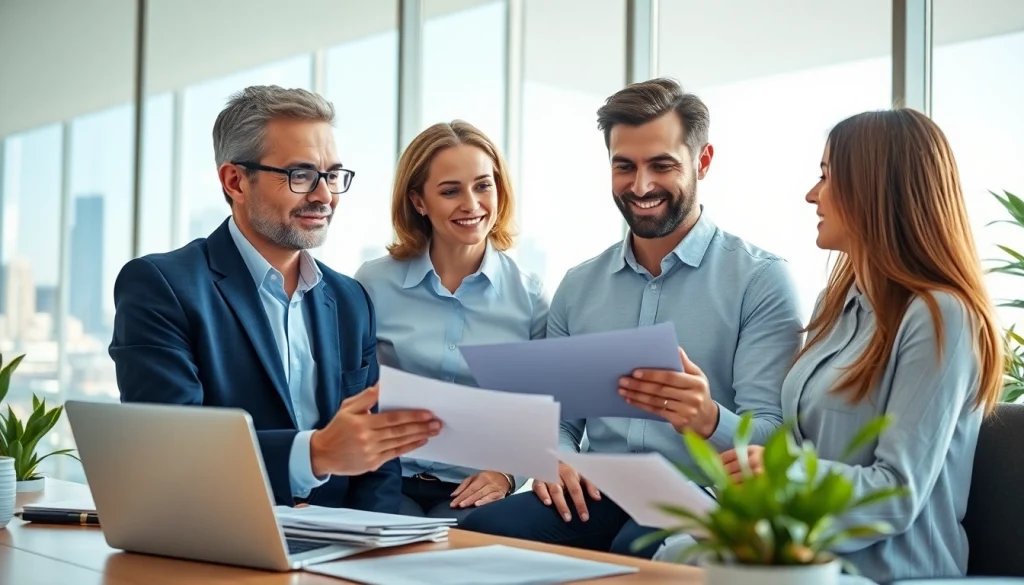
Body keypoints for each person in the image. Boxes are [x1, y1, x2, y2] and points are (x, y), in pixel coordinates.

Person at [459, 78, 803, 556]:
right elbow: (560, 418)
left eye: (662, 165)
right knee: (481, 531)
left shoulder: (760, 280)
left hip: (700, 495)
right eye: (625, 167)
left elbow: (772, 433)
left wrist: (706, 418)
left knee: (636, 552)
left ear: (702, 162)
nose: (640, 186)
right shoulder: (579, 285)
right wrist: (555, 455)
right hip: (599, 489)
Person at [698, 109, 1003, 583]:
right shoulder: (836, 305)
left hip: (894, 573)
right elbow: (796, 450)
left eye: (826, 176)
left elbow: (896, 494)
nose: (812, 195)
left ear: (875, 190)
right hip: (805, 561)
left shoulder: (941, 316)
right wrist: (712, 425)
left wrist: (785, 477)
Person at [109, 86, 441, 512]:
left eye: (332, 175)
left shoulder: (349, 299)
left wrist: (374, 545)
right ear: (235, 181)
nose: (324, 196)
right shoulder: (161, 286)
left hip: (345, 547)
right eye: (300, 175)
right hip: (224, 536)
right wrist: (315, 453)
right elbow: (172, 449)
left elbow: (378, 459)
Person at [354, 121, 548, 523]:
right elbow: (347, 392)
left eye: (483, 186)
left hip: (472, 488)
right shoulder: (372, 283)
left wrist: (507, 474)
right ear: (419, 202)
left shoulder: (529, 298)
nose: (471, 204)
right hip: (387, 476)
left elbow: (543, 413)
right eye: (449, 191)